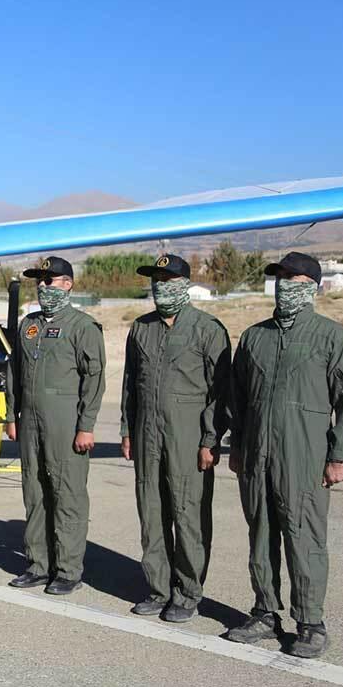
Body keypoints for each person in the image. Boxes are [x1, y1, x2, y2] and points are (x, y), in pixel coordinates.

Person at [226, 252, 343, 658]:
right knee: (260, 535)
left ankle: (310, 622)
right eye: (280, 277)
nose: (284, 285)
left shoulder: (333, 337)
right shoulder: (255, 337)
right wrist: (238, 445)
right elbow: (238, 398)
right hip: (256, 455)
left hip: (304, 456)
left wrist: (339, 455)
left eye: (293, 278)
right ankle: (265, 612)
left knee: (305, 538)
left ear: (312, 287)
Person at [120, 254, 231, 622]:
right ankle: (158, 588)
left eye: (167, 280)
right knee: (152, 513)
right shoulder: (141, 327)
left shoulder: (208, 329)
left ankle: (187, 593)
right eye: (156, 280)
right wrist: (127, 429)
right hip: (147, 433)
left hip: (188, 435)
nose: (160, 286)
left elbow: (221, 392)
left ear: (184, 284)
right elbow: (131, 385)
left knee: (188, 515)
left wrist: (210, 439)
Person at [4, 255, 105, 595]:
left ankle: (68, 570)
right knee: (34, 492)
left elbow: (94, 379)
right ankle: (38, 564)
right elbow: (14, 372)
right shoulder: (29, 324)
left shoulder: (82, 326)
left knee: (67, 494)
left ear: (67, 284)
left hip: (65, 421)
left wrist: (86, 425)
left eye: (49, 281)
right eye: (39, 281)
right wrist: (12, 415)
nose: (43, 287)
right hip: (30, 421)